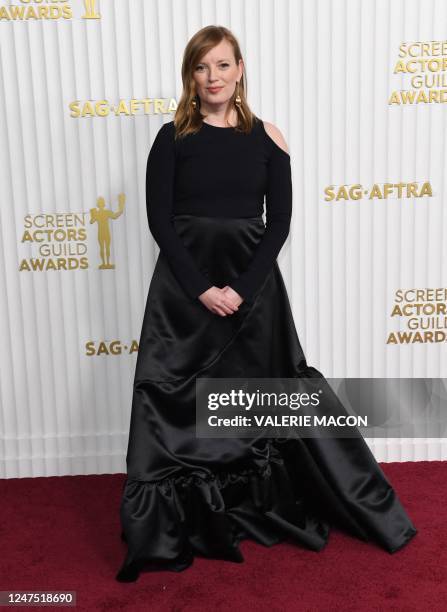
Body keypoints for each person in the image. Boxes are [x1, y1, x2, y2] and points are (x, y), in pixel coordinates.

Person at [116, 25, 417, 582]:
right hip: (184, 293)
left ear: (240, 69)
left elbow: (277, 222)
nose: (214, 78)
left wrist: (242, 289)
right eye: (203, 68)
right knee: (174, 398)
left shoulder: (268, 137)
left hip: (254, 291)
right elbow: (161, 221)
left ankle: (266, 504)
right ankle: (182, 523)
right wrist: (202, 288)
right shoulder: (170, 137)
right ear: (191, 75)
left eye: (223, 65)